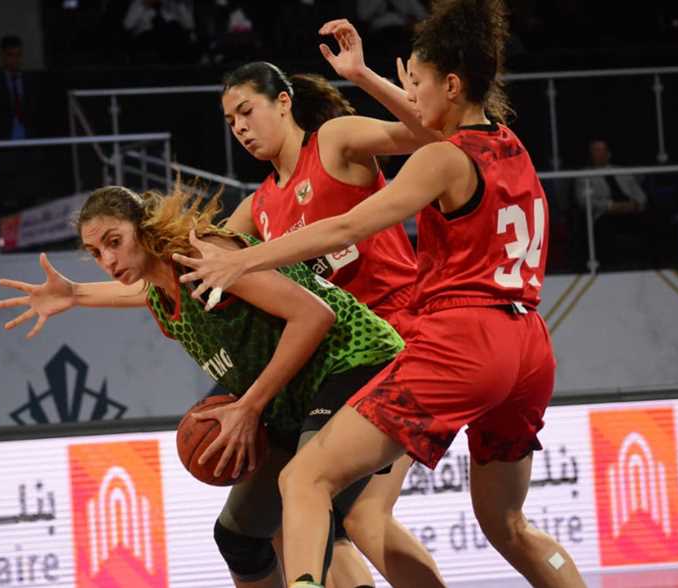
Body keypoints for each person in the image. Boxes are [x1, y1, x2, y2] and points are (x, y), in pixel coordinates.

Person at [173, 1, 586, 586]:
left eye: (414, 82)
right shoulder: (508, 143)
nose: (409, 94)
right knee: (505, 522)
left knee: (309, 483)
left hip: (448, 339)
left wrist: (242, 261)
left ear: (450, 84)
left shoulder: (426, 156)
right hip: (528, 342)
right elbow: (432, 124)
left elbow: (347, 224)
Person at [0, 184, 430, 588]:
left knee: (317, 498)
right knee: (240, 538)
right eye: (95, 252)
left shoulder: (205, 255)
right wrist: (74, 294)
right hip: (295, 395)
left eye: (114, 241)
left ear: (143, 228)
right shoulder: (161, 295)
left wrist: (249, 407)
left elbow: (315, 315)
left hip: (358, 361)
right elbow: (138, 292)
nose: (107, 260)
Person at [217, 47, 445, 586]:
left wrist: (363, 76)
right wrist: (85, 292)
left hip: (402, 344)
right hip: (344, 366)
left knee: (356, 514)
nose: (239, 127)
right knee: (301, 515)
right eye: (230, 122)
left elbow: (430, 136)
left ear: (284, 102)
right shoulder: (258, 208)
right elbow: (198, 269)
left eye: (247, 111)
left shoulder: (334, 143)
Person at [573, 138, 649, 270]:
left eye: (602, 150)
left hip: (631, 210)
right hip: (605, 215)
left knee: (651, 221)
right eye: (596, 150)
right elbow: (584, 202)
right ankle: (611, 268)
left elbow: (641, 196)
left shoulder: (623, 172)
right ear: (590, 154)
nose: (600, 153)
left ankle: (650, 266)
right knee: (605, 228)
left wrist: (636, 205)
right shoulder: (583, 175)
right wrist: (610, 206)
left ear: (609, 153)